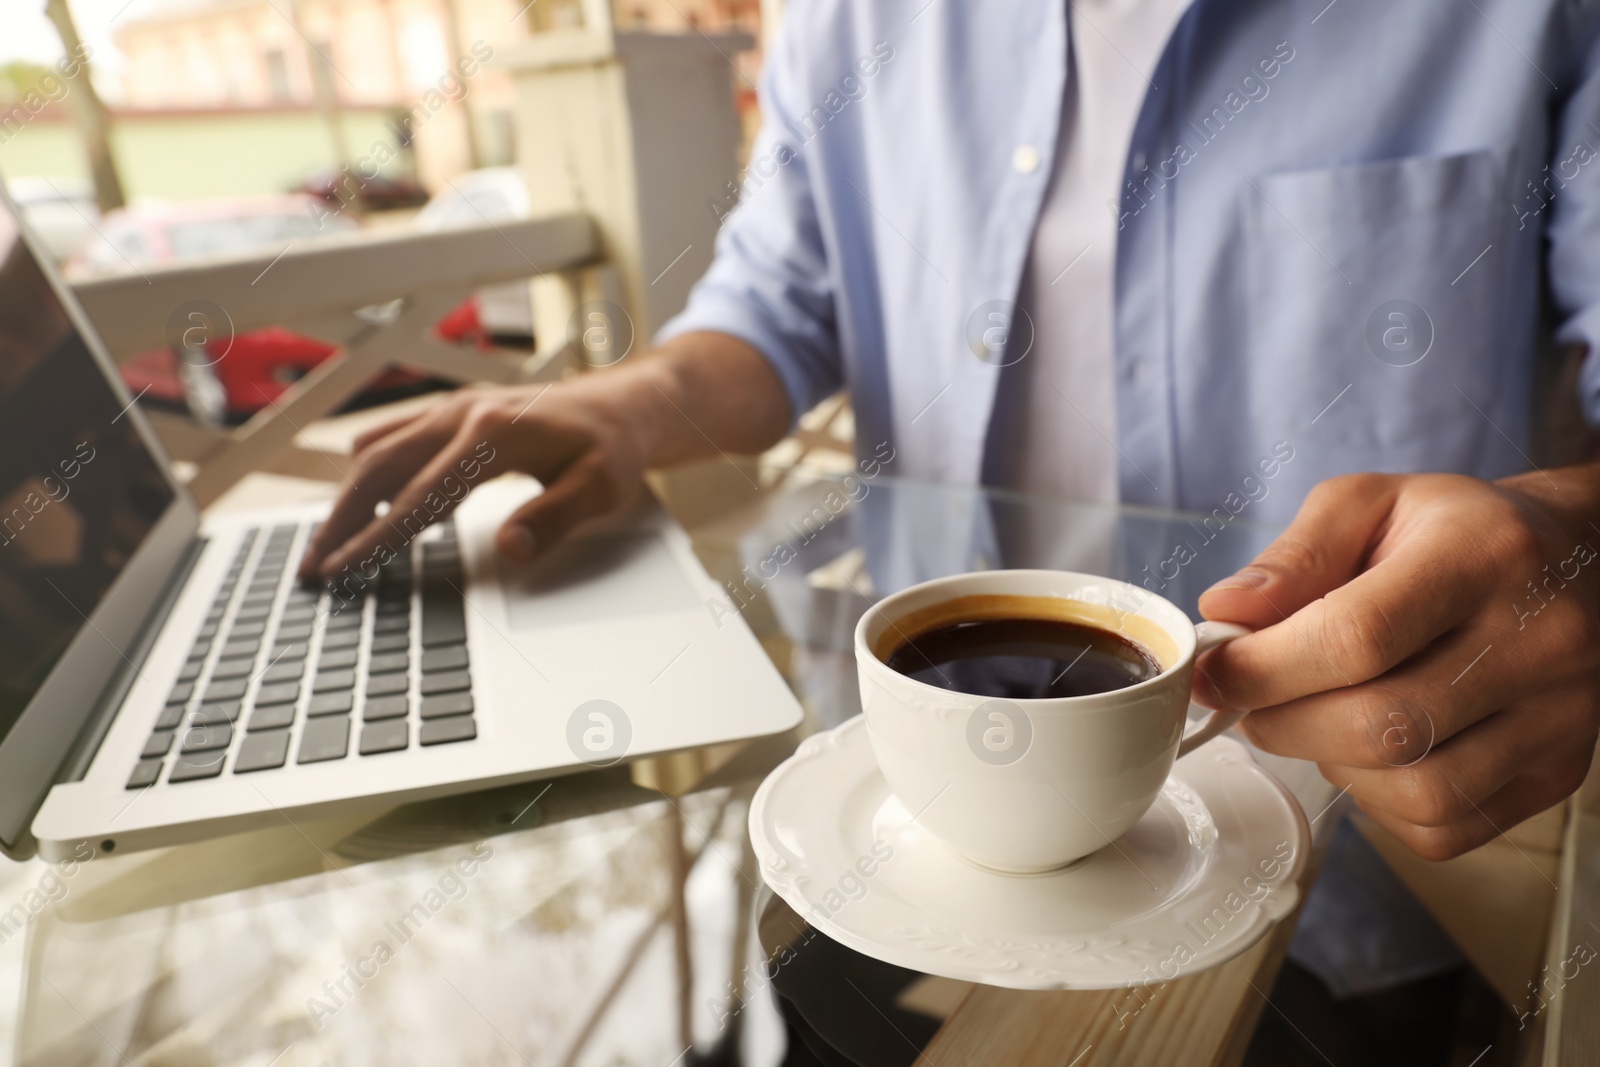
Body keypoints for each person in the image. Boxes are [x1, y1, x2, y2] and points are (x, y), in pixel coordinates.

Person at [301, 0, 1600, 873]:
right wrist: (628, 402)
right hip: (902, 815)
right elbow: (782, 299)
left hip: (1359, 859)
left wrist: (1570, 542)